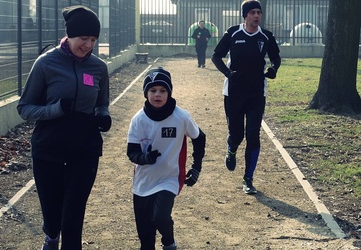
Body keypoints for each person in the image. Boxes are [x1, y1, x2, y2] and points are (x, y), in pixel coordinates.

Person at [17, 5, 111, 250]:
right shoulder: (45, 64)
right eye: (83, 38)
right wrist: (56, 109)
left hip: (85, 149)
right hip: (49, 148)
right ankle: (51, 234)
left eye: (93, 39)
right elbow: (25, 108)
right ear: (69, 35)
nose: (88, 45)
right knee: (53, 214)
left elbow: (102, 104)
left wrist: (103, 116)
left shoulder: (98, 68)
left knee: (73, 215)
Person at [126, 67, 206, 250]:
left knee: (160, 217)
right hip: (143, 182)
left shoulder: (181, 117)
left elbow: (199, 138)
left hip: (169, 178)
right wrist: (145, 157)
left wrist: (196, 168)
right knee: (146, 240)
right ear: (146, 93)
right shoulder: (138, 120)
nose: (158, 95)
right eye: (153, 90)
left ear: (169, 92)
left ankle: (168, 241)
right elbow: (132, 152)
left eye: (163, 90)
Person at [211, 0, 281, 195]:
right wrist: (228, 73)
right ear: (245, 15)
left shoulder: (266, 36)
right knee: (237, 135)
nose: (257, 16)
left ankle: (248, 179)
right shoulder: (233, 33)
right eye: (253, 12)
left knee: (253, 134)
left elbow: (276, 57)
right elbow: (216, 56)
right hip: (233, 93)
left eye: (259, 12)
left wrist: (274, 69)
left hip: (257, 93)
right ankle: (231, 148)